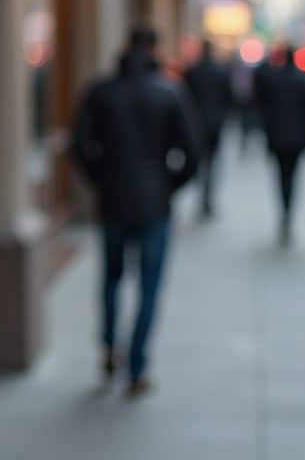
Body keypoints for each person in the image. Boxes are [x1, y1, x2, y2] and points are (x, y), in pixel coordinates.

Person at [73, 26, 200, 397]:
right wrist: (166, 185)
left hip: (114, 200)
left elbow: (81, 146)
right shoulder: (168, 92)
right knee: (148, 286)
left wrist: (102, 180)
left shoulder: (101, 91)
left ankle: (111, 347)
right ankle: (137, 366)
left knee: (111, 279)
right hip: (153, 204)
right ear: (155, 50)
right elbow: (192, 154)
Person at [256, 45, 305, 246]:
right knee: (292, 176)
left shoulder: (275, 81)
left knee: (281, 176)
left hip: (278, 139)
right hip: (297, 139)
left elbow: (265, 112)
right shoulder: (304, 81)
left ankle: (284, 211)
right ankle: (288, 211)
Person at [184, 40, 233, 219]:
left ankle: (203, 196)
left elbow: (185, 97)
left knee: (199, 160)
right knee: (211, 162)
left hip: (197, 124)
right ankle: (207, 197)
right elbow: (229, 98)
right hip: (214, 124)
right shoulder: (220, 72)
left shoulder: (193, 71)